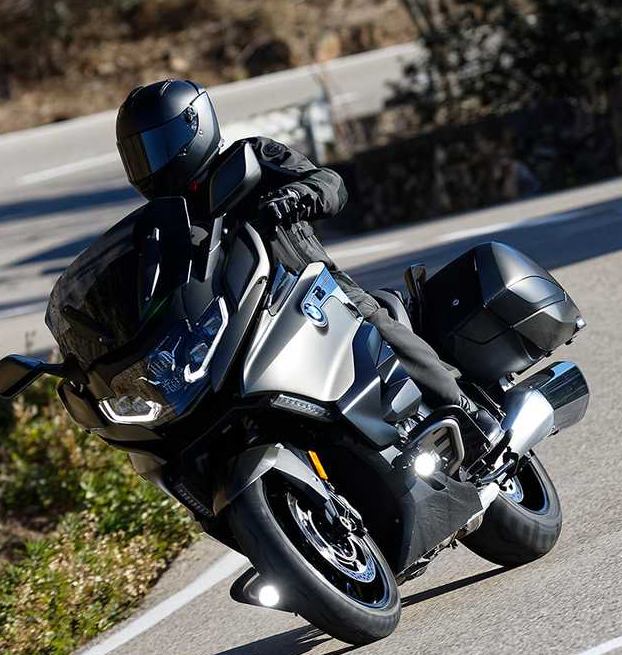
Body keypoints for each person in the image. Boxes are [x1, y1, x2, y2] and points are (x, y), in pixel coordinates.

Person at [113, 78, 502, 457]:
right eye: (138, 154)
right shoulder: (162, 225)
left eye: (156, 146)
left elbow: (329, 183)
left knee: (377, 328)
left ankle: (466, 411)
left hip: (315, 293)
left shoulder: (250, 158)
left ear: (192, 128)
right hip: (241, 329)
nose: (150, 163)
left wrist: (297, 195)